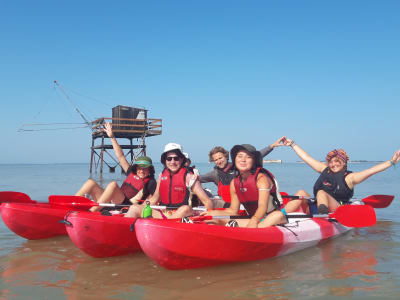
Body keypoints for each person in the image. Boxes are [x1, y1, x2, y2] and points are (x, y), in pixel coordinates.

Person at [280, 137, 400, 214]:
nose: (333, 164)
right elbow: (306, 158)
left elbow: (371, 171)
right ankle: (281, 214)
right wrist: (292, 144)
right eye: (331, 162)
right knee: (301, 192)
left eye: (337, 162)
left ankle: (323, 217)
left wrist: (391, 162)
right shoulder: (324, 170)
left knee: (321, 192)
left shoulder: (350, 178)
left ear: (344, 163)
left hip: (337, 209)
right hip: (317, 205)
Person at [201, 144, 289, 228]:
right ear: (235, 159)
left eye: (248, 157)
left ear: (254, 160)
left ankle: (248, 229)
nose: (243, 160)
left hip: (268, 218)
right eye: (240, 156)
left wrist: (254, 221)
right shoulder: (234, 182)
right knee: (212, 217)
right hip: (251, 218)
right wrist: (213, 212)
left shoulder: (261, 179)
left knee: (278, 215)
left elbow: (262, 206)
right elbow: (233, 210)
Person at [75, 122, 157, 212]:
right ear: (136, 168)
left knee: (113, 185)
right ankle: (71, 204)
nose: (141, 171)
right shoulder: (131, 172)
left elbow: (155, 199)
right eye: (139, 168)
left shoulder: (151, 182)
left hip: (125, 206)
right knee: (90, 183)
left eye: (145, 168)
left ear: (150, 170)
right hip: (112, 201)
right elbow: (120, 156)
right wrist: (112, 136)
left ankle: (92, 211)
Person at [125, 143, 213, 219]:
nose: (172, 162)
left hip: (182, 215)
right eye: (169, 159)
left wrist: (208, 216)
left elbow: (207, 201)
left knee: (185, 208)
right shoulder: (162, 177)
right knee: (134, 208)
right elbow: (155, 198)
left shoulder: (189, 177)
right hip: (164, 213)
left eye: (176, 158)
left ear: (182, 160)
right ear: (165, 160)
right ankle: (124, 229)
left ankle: (168, 225)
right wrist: (142, 205)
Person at [199, 137, 286, 207]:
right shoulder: (214, 174)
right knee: (211, 202)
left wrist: (272, 146)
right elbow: (198, 179)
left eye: (220, 158)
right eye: (216, 160)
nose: (219, 161)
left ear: (226, 156)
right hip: (228, 205)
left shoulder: (238, 166)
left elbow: (258, 154)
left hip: (244, 203)